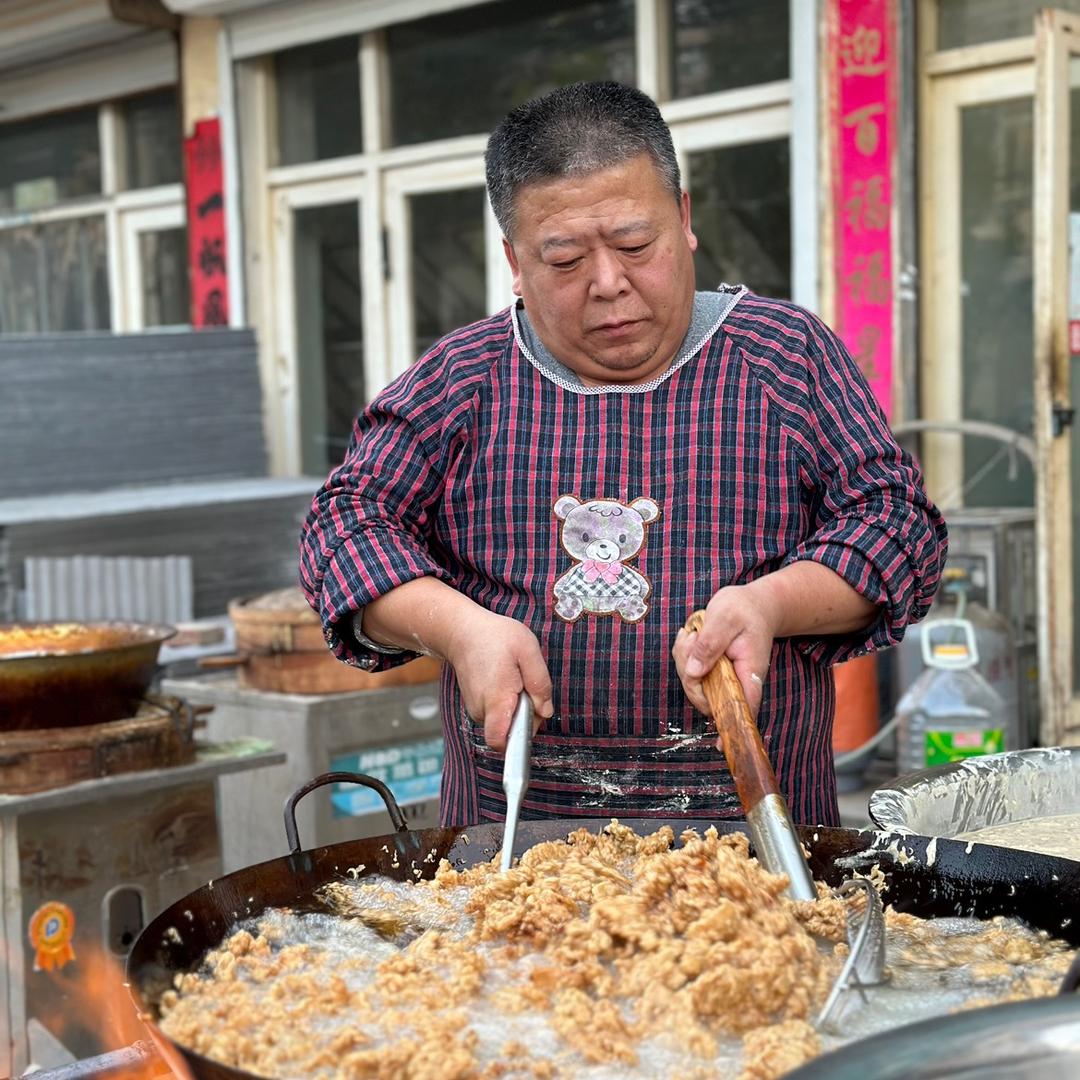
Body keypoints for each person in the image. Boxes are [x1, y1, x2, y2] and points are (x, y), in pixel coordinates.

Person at [299, 80, 947, 828]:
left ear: (685, 219)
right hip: (512, 852)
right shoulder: (462, 380)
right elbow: (343, 528)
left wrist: (769, 603)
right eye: (565, 259)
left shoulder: (783, 357)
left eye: (636, 245)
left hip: (759, 844)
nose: (609, 285)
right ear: (514, 260)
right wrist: (458, 628)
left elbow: (898, 526)